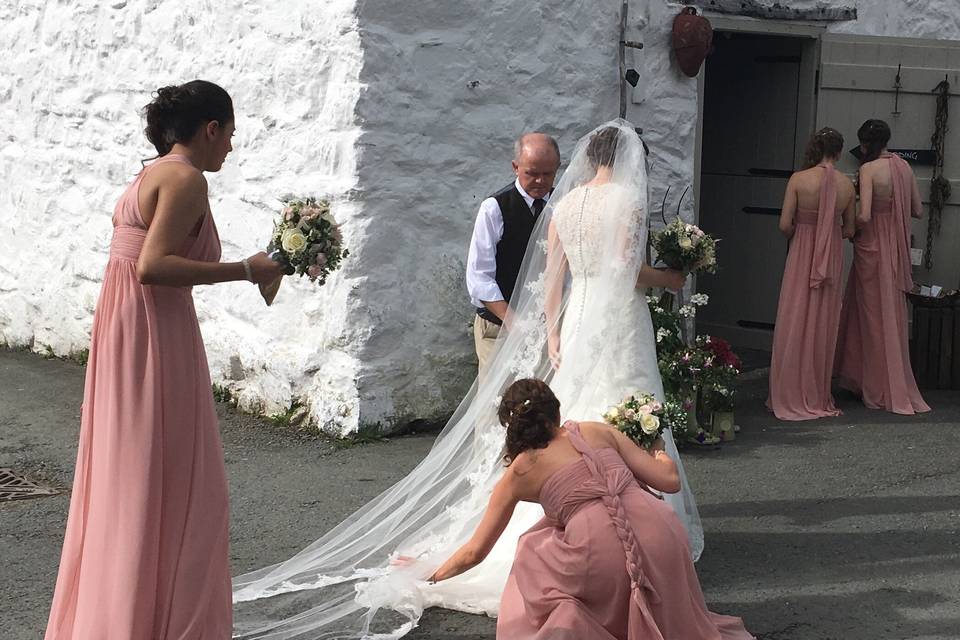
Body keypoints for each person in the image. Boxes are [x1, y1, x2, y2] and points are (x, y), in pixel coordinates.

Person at [231, 121, 703, 640]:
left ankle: (584, 525)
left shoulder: (565, 205)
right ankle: (642, 529)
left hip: (577, 319)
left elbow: (553, 275)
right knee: (625, 406)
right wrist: (672, 277)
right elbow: (626, 268)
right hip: (618, 318)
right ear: (632, 158)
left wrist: (552, 334)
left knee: (575, 414)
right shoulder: (626, 201)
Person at [44, 80, 283, 640]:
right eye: (230, 135)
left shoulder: (149, 173)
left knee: (131, 477)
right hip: (155, 331)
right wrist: (247, 269)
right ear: (210, 129)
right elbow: (153, 266)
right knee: (181, 487)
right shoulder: (185, 177)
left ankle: (122, 615)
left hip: (129, 326)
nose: (231, 148)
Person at [430, 379, 754, 640]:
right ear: (556, 412)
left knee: (532, 548)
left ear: (511, 427)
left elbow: (474, 552)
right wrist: (658, 451)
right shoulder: (595, 430)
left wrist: (431, 577)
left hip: (600, 555)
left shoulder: (518, 473)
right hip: (664, 536)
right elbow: (668, 481)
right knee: (558, 531)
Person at [834, 119, 931, 415]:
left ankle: (873, 385)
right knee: (888, 316)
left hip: (872, 249)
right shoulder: (904, 168)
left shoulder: (868, 170)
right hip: (895, 251)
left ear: (864, 144)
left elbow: (863, 216)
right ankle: (872, 379)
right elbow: (917, 209)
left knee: (870, 316)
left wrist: (845, 224)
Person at [767, 128, 856, 420]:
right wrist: (828, 232)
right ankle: (816, 392)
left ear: (816, 149)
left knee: (794, 316)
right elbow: (851, 230)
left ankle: (787, 391)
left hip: (802, 252)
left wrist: (803, 232)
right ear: (840, 152)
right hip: (830, 256)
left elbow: (784, 224)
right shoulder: (847, 185)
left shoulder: (798, 179)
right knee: (822, 322)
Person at [466, 133, 560, 377]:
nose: (540, 180)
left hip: (549, 329)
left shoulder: (564, 204)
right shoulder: (494, 208)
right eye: (531, 173)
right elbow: (479, 277)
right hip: (498, 329)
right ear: (515, 167)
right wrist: (514, 322)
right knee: (499, 402)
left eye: (548, 174)